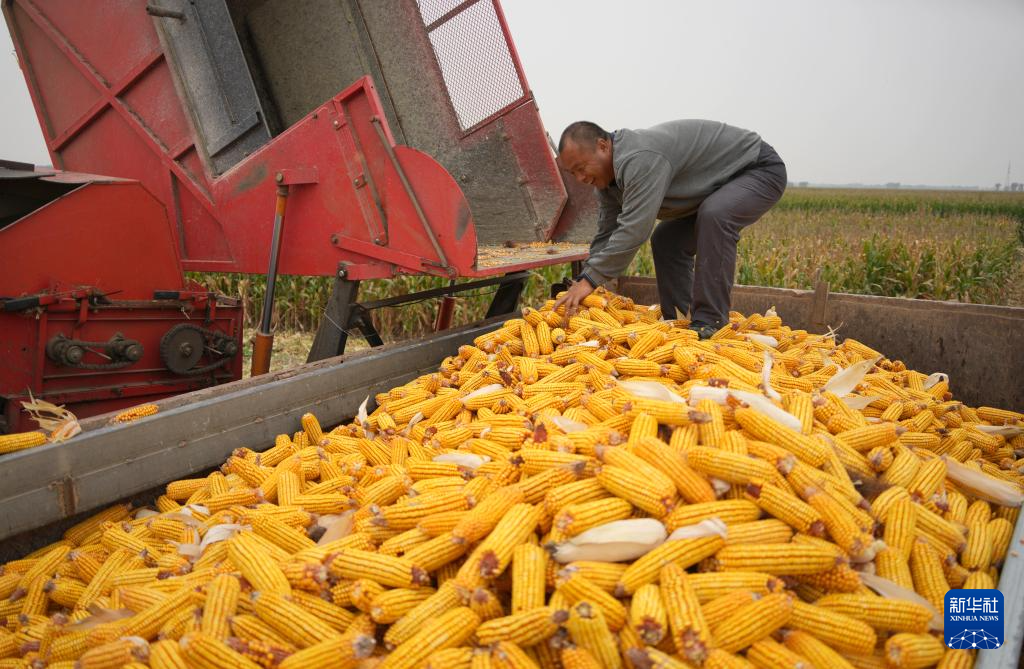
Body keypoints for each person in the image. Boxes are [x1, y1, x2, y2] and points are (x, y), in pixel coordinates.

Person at [553, 119, 787, 338]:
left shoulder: (640, 159)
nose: (581, 178)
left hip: (757, 169)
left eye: (581, 168)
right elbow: (607, 233)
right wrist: (585, 278)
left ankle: (710, 323)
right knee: (666, 240)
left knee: (716, 215)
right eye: (573, 173)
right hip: (714, 187)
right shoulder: (607, 183)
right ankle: (681, 319)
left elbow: (634, 229)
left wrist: (590, 281)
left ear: (603, 146)